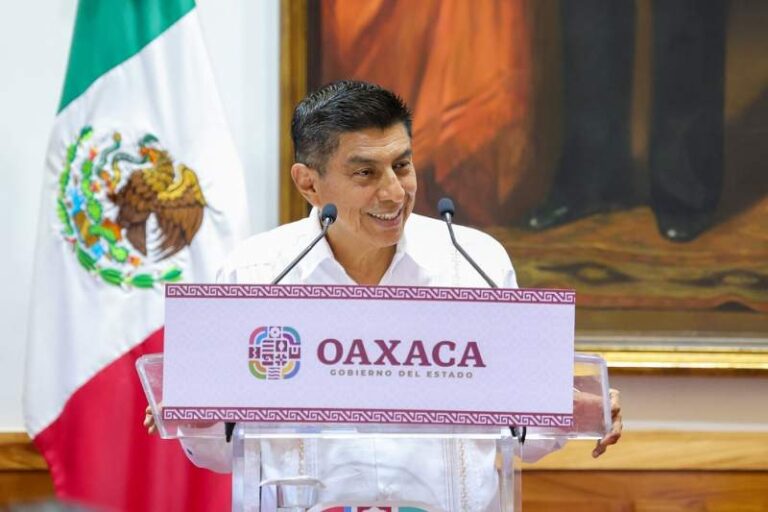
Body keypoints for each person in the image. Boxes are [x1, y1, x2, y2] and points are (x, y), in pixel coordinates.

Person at [145, 80, 622, 509]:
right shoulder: (257, 274)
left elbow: (522, 437)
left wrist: (573, 410)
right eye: (366, 174)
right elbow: (220, 454)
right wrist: (197, 416)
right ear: (309, 183)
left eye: (402, 165)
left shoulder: (473, 263)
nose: (395, 193)